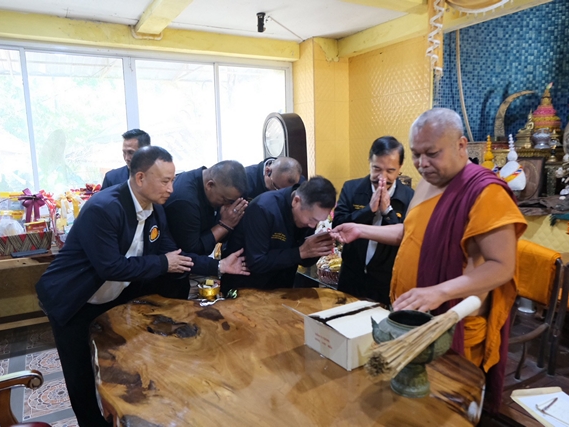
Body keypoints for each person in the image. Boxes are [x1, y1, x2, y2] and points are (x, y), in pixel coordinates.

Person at [331, 108, 526, 413]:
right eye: (416, 154)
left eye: (432, 153)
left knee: (444, 409)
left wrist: (439, 292)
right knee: (408, 406)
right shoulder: (427, 183)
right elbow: (408, 232)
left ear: (461, 145)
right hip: (411, 316)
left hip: (450, 322)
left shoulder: (485, 192)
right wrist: (361, 229)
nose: (422, 163)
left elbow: (502, 266)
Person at [36, 146, 248, 426]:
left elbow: (174, 255)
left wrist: (218, 266)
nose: (171, 188)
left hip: (111, 298)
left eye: (172, 180)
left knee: (118, 366)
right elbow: (110, 267)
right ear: (140, 178)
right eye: (165, 181)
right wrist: (162, 263)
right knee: (81, 377)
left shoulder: (155, 211)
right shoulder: (104, 208)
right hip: (74, 299)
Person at [333, 136, 414, 305]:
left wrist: (387, 211)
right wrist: (368, 210)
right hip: (351, 278)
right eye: (376, 169)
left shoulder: (409, 197)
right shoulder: (351, 188)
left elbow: (406, 240)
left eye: (390, 171)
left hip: (385, 282)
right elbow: (338, 226)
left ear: (400, 168)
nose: (382, 177)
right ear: (370, 162)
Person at [222, 176, 337, 291]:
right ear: (296, 201)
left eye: (318, 221)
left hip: (282, 288)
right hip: (246, 288)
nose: (313, 225)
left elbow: (303, 260)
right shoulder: (263, 208)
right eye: (312, 219)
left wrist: (317, 249)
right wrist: (300, 252)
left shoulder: (308, 215)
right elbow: (257, 262)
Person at [163, 160, 249, 257]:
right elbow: (191, 252)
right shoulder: (185, 202)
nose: (227, 205)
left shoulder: (206, 181)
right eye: (225, 200)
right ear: (210, 185)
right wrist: (225, 225)